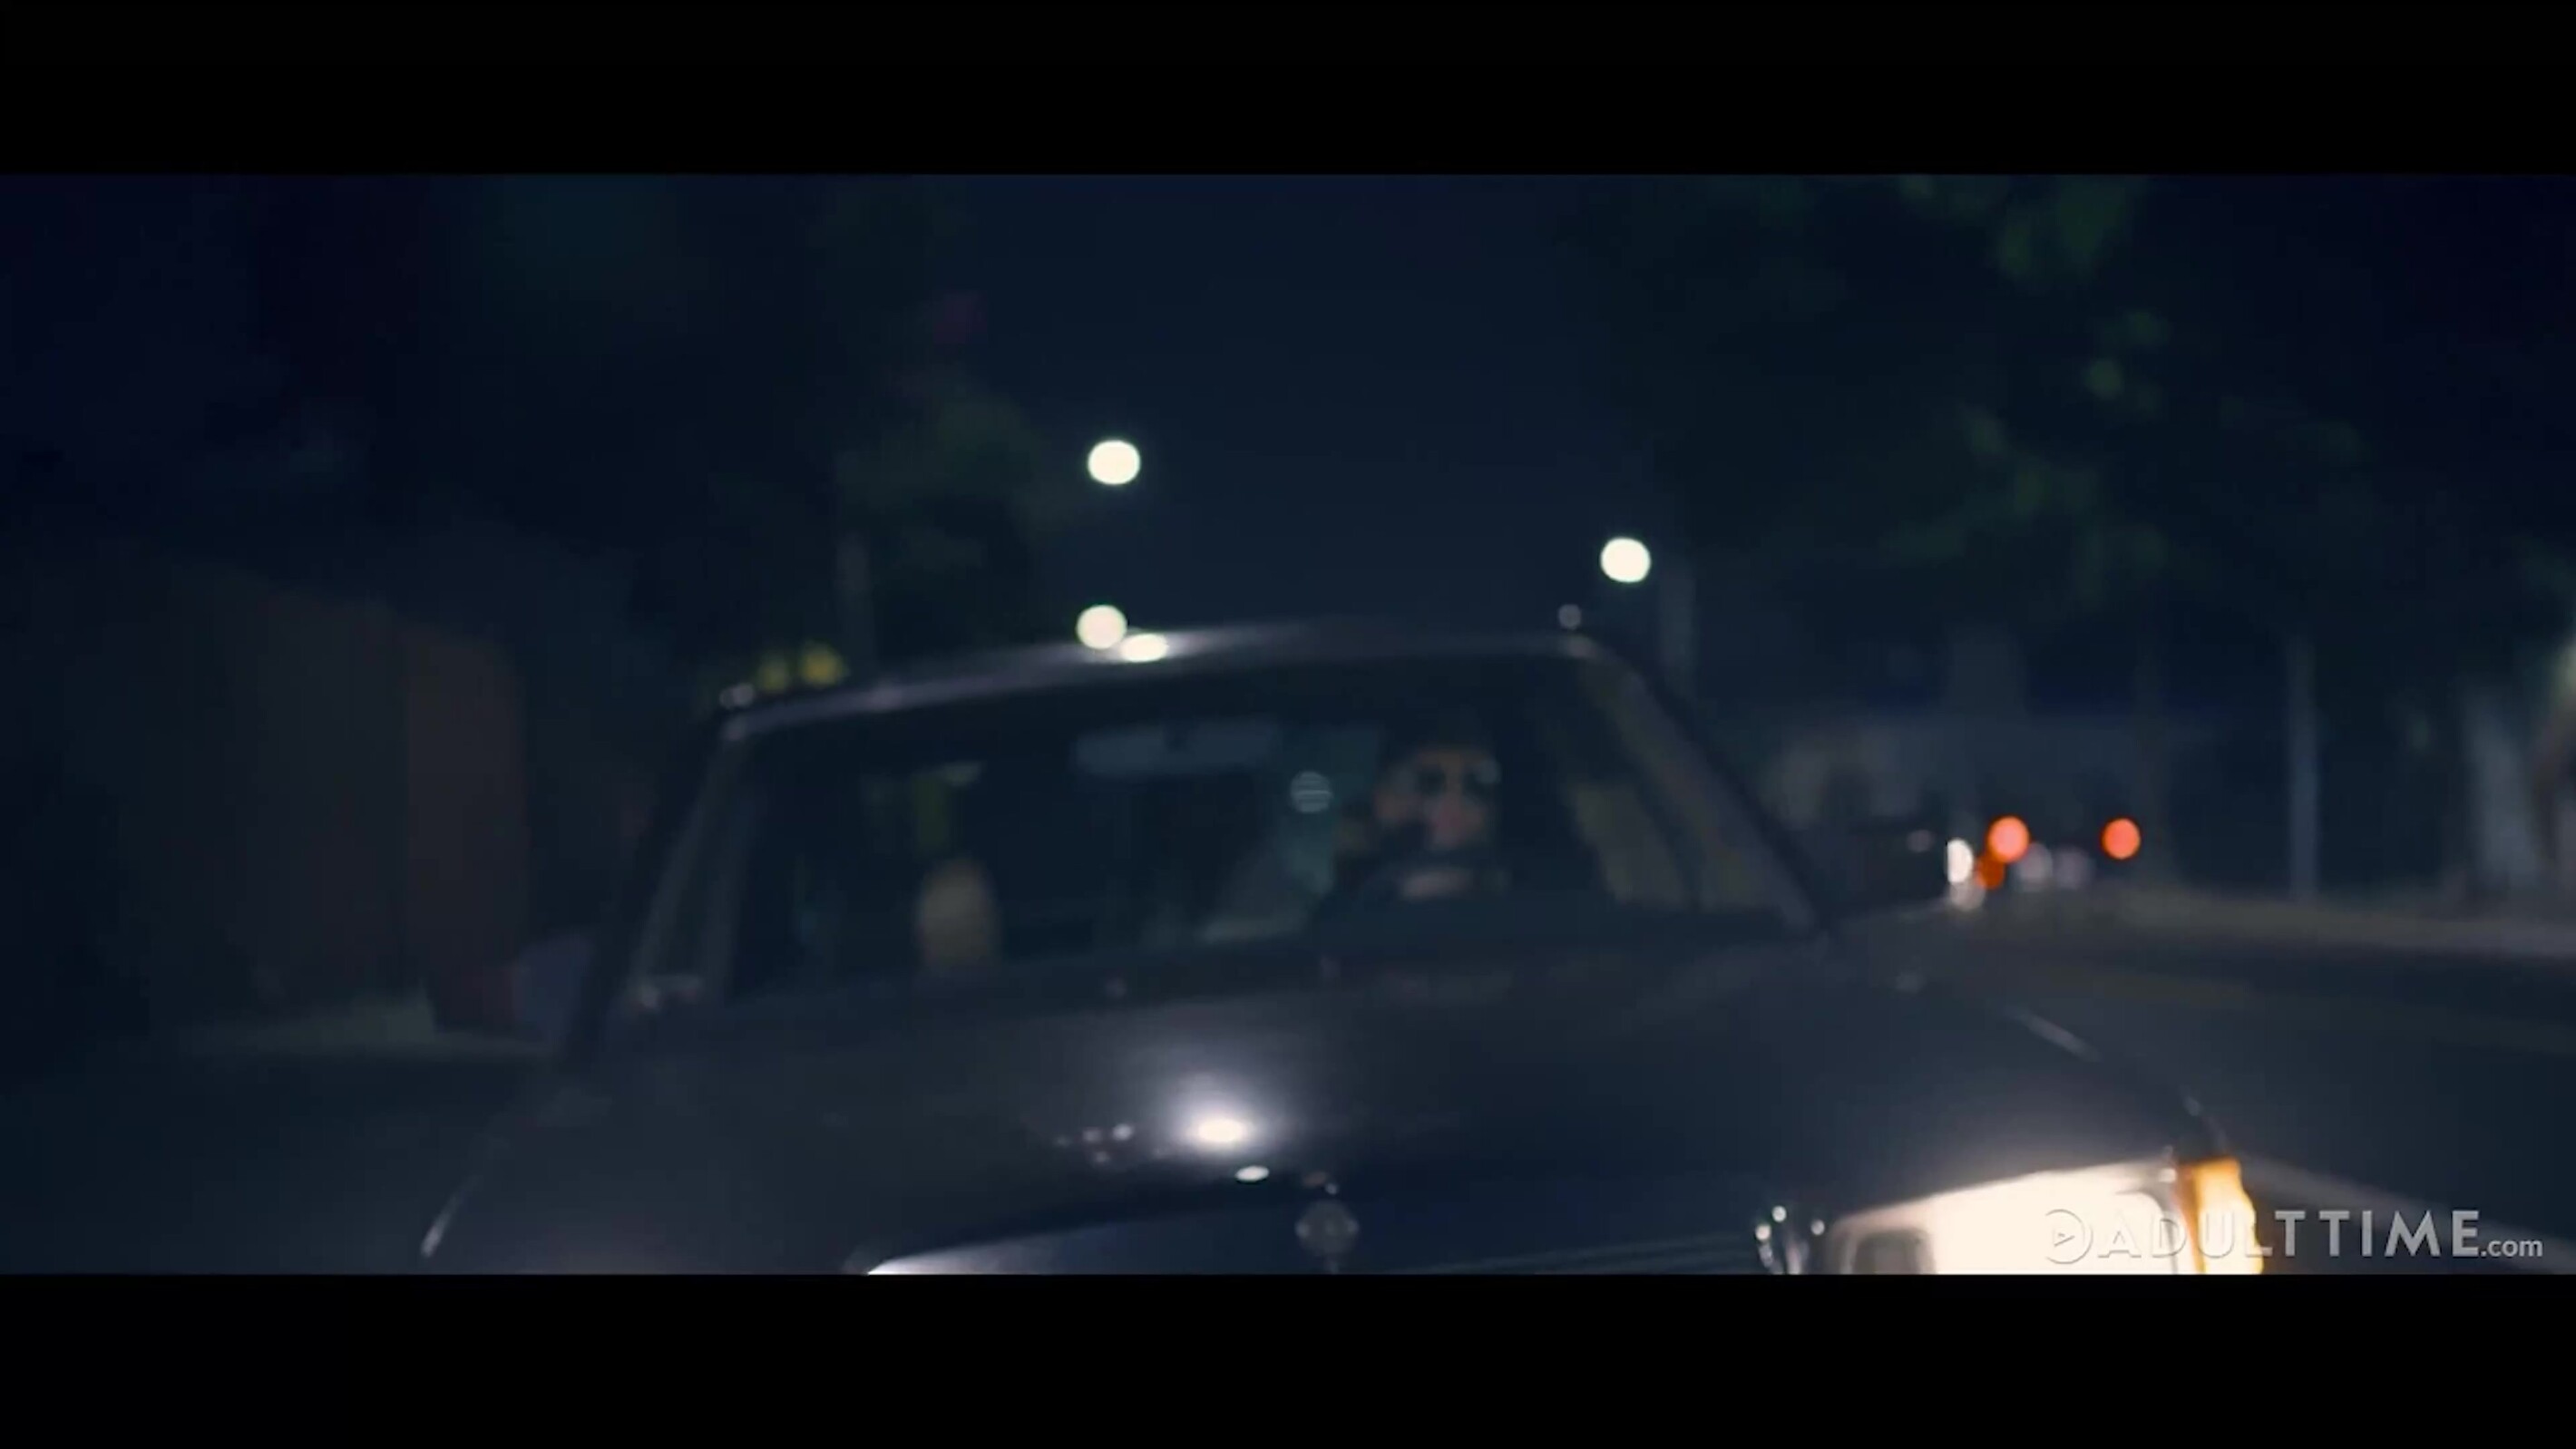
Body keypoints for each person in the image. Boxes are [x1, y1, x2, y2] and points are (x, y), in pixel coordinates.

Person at [1329, 715, 1509, 907]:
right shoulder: (1339, 916)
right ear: (1380, 798)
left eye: (1477, 786)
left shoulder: (1522, 905)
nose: (1452, 806)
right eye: (1427, 783)